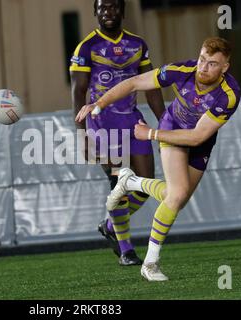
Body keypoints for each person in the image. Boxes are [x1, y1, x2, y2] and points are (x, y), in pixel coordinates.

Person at [76, 37, 241, 281]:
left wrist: (150, 134)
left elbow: (196, 137)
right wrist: (99, 103)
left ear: (225, 67)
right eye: (202, 59)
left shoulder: (229, 95)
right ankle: (150, 264)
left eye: (212, 64)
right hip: (171, 126)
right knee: (176, 195)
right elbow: (134, 83)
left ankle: (130, 183)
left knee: (176, 198)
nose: (203, 68)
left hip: (199, 141)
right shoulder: (182, 70)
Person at [70, 0, 165, 266]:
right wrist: (83, 135)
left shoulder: (138, 44)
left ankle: (110, 225)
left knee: (146, 186)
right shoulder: (86, 47)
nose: (107, 12)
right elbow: (78, 92)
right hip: (101, 124)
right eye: (102, 8)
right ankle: (126, 251)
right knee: (120, 183)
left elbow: (152, 86)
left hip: (133, 121)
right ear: (95, 13)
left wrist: (163, 123)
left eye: (113, 8)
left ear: (122, 12)